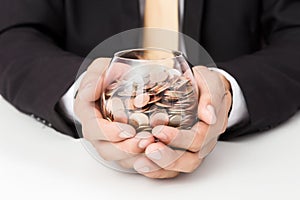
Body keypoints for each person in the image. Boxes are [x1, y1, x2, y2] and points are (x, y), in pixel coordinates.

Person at [0, 0, 299, 179]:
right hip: (75, 176)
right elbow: (12, 33)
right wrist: (83, 92)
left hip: (247, 171)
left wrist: (228, 91)